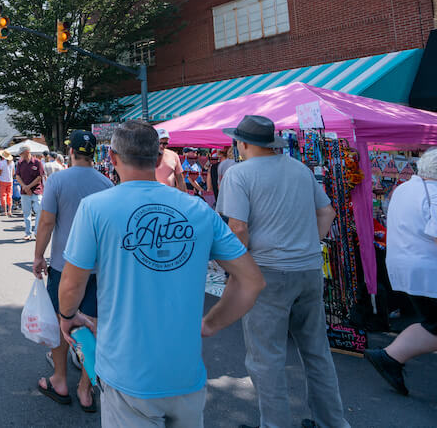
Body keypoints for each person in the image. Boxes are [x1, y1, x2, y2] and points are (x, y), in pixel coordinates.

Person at [59, 120, 265, 425]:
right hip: (185, 373)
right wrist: (210, 323)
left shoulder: (95, 208)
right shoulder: (197, 210)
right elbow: (252, 281)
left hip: (127, 372)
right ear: (159, 160)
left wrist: (67, 316)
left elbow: (71, 285)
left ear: (112, 158)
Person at [216, 114, 349, 428]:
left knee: (266, 357)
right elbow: (327, 211)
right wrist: (306, 243)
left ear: (243, 143)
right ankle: (332, 422)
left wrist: (236, 271)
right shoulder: (300, 169)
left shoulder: (239, 174)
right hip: (308, 268)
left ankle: (275, 424)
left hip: (267, 272)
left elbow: (238, 229)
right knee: (316, 351)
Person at [33, 130, 113, 411]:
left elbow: (45, 223)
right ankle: (86, 390)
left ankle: (60, 380)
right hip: (95, 268)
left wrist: (37, 256)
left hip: (63, 266)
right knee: (90, 324)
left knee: (61, 321)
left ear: (70, 152)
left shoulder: (57, 180)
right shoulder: (106, 183)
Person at [364, 147, 437, 396]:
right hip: (427, 269)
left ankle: (390, 357)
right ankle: (390, 357)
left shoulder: (405, 188)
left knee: (432, 322)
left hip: (405, 266)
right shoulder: (434, 193)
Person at [16, 146, 45, 241]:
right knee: (26, 212)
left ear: (27, 152)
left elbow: (39, 177)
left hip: (37, 190)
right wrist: (25, 186)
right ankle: (28, 233)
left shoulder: (37, 162)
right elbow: (17, 176)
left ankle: (36, 231)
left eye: (21, 153)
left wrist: (28, 187)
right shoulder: (20, 163)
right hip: (25, 191)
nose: (20, 155)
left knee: (39, 210)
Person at [0, 150, 15, 217]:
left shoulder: (1, 163)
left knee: (3, 195)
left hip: (3, 180)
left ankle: (4, 211)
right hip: (10, 180)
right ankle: (9, 210)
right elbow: (13, 173)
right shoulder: (12, 163)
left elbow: (0, 172)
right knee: (9, 195)